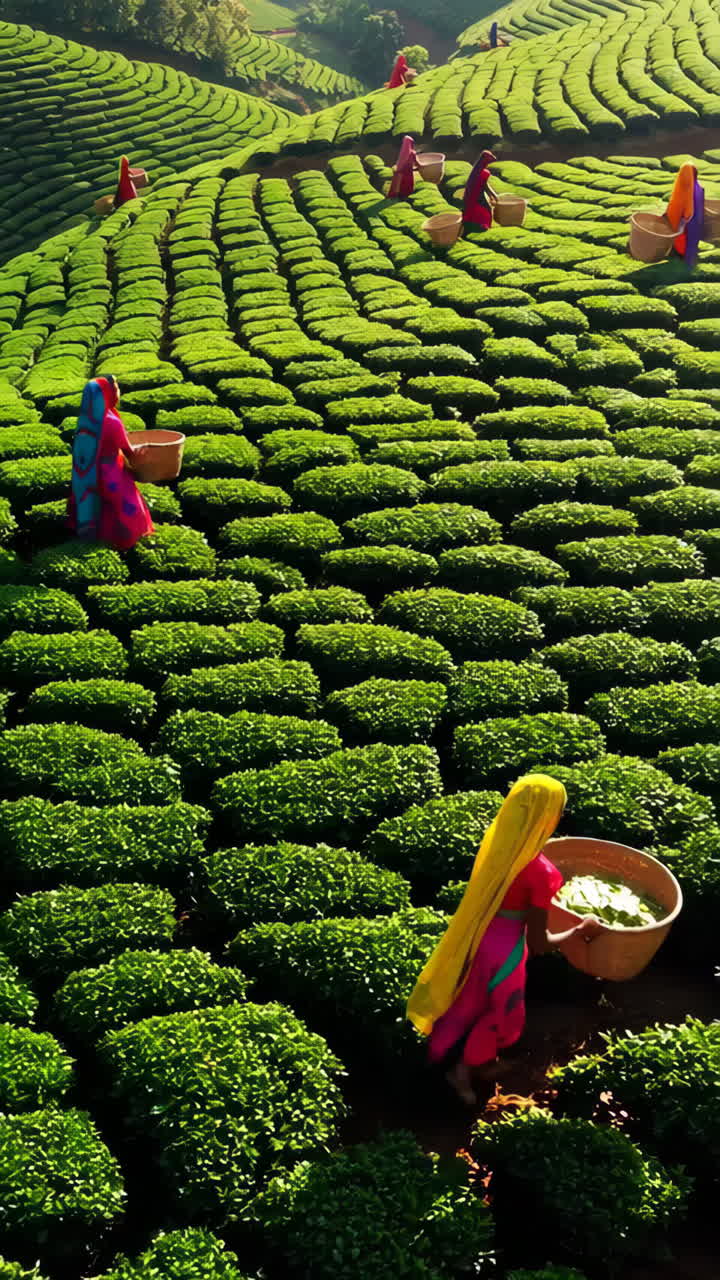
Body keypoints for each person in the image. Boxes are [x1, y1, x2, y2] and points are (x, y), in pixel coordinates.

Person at [406, 775, 605, 1106]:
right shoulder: (542, 873)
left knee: (466, 1003)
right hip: (505, 952)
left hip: (477, 938)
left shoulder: (498, 848)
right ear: (547, 817)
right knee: (501, 1013)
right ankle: (463, 1071)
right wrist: (581, 928)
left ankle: (437, 1060)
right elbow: (541, 943)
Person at [67, 376, 154, 551]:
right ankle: (122, 544)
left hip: (88, 472)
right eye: (116, 389)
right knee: (123, 507)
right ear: (108, 394)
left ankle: (93, 539)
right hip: (111, 472)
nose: (118, 392)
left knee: (96, 505)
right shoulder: (111, 421)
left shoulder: (86, 419)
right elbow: (128, 450)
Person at [463, 149, 499, 231]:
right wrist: (493, 195)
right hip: (476, 194)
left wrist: (492, 195)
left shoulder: (477, 170)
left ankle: (479, 225)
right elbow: (485, 186)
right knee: (486, 209)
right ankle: (485, 226)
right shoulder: (481, 172)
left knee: (480, 208)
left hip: (474, 193)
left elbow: (484, 185)